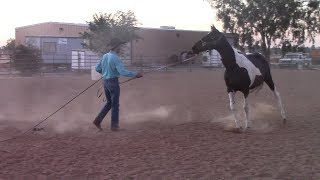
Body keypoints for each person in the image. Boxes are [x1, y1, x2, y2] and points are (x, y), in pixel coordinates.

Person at [93, 38, 143, 131]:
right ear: (116, 47)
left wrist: (104, 73)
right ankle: (114, 126)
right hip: (113, 83)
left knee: (109, 103)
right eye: (120, 46)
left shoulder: (105, 56)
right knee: (115, 105)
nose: (121, 48)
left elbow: (97, 68)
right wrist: (136, 74)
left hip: (106, 82)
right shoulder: (116, 58)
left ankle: (97, 120)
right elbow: (122, 71)